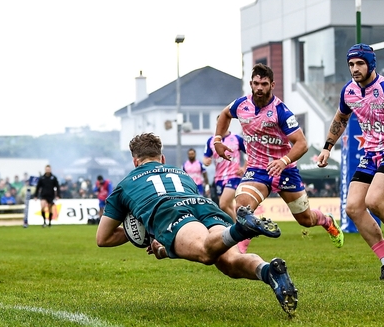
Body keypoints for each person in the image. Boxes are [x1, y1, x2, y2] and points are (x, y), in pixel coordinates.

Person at [96, 133, 298, 315]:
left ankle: (241, 228)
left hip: (168, 212)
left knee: (205, 252)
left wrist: (146, 230)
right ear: (162, 158)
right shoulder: (182, 173)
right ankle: (269, 271)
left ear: (135, 161)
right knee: (229, 262)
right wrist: (160, 242)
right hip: (203, 205)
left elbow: (103, 238)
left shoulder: (124, 185)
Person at [316, 43, 384, 280]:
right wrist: (327, 147)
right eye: (351, 64)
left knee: (375, 200)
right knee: (353, 207)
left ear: (371, 64)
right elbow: (340, 118)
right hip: (371, 154)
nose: (354, 69)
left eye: (359, 63)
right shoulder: (348, 91)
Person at [213, 63, 345, 249]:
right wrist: (218, 140)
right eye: (256, 83)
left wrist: (283, 161)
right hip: (257, 170)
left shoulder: (281, 111)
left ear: (272, 85)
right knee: (242, 208)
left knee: (305, 220)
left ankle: (327, 221)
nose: (260, 88)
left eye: (264, 84)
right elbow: (225, 114)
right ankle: (241, 250)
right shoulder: (241, 104)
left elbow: (302, 143)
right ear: (251, 83)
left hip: (285, 171)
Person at [203, 131, 247, 248]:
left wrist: (244, 167)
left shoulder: (237, 138)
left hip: (233, 176)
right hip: (218, 178)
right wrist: (206, 161)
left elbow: (250, 153)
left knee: (223, 204)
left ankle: (237, 231)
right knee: (227, 207)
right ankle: (239, 229)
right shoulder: (211, 141)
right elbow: (206, 157)